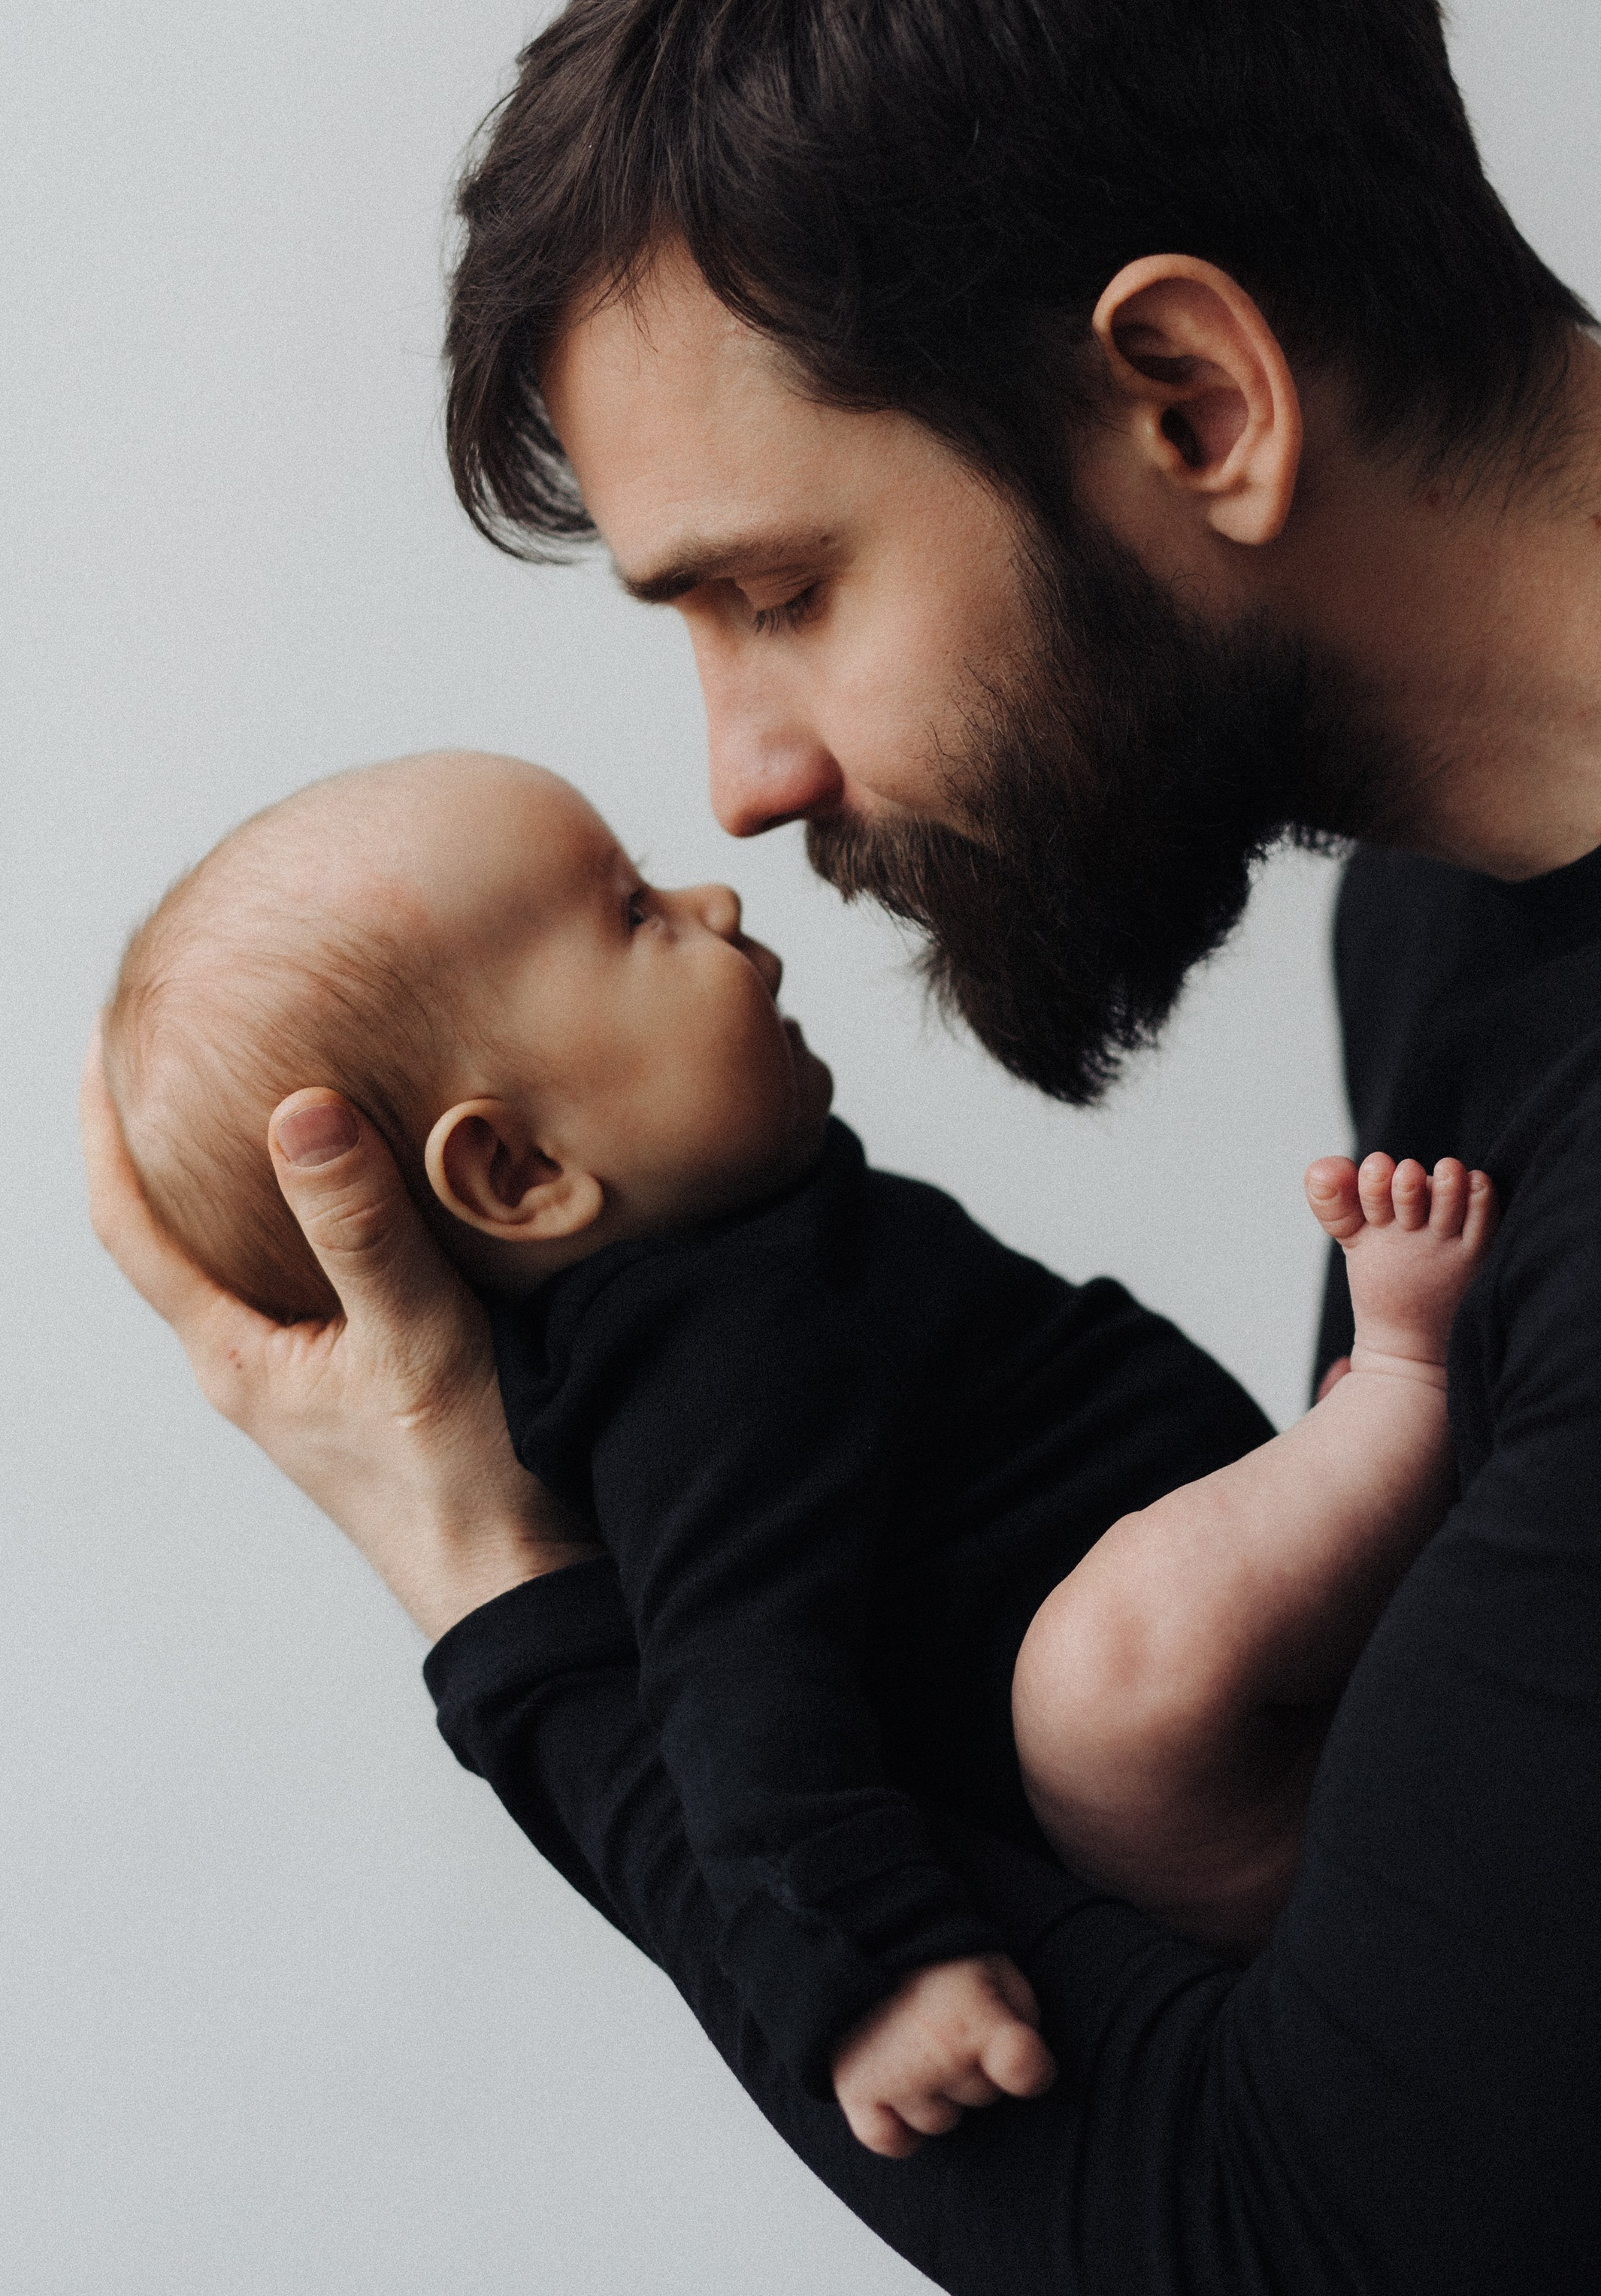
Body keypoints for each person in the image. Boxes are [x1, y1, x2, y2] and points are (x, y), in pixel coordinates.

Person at [85, 0, 1601, 2289]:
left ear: (1189, 403)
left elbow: (1323, 2248)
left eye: (780, 590)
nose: (750, 780)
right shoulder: (1461, 913)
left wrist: (502, 1603)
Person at [100, 746, 1491, 2158]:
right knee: (1118, 1669)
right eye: (633, 912)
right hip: (1187, 1799)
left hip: (1279, 1706)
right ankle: (1407, 1382)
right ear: (518, 1174)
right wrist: (874, 1972)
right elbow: (733, 1696)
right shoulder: (701, 1370)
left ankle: (1359, 1473)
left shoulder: (744, 1252)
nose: (711, 898)